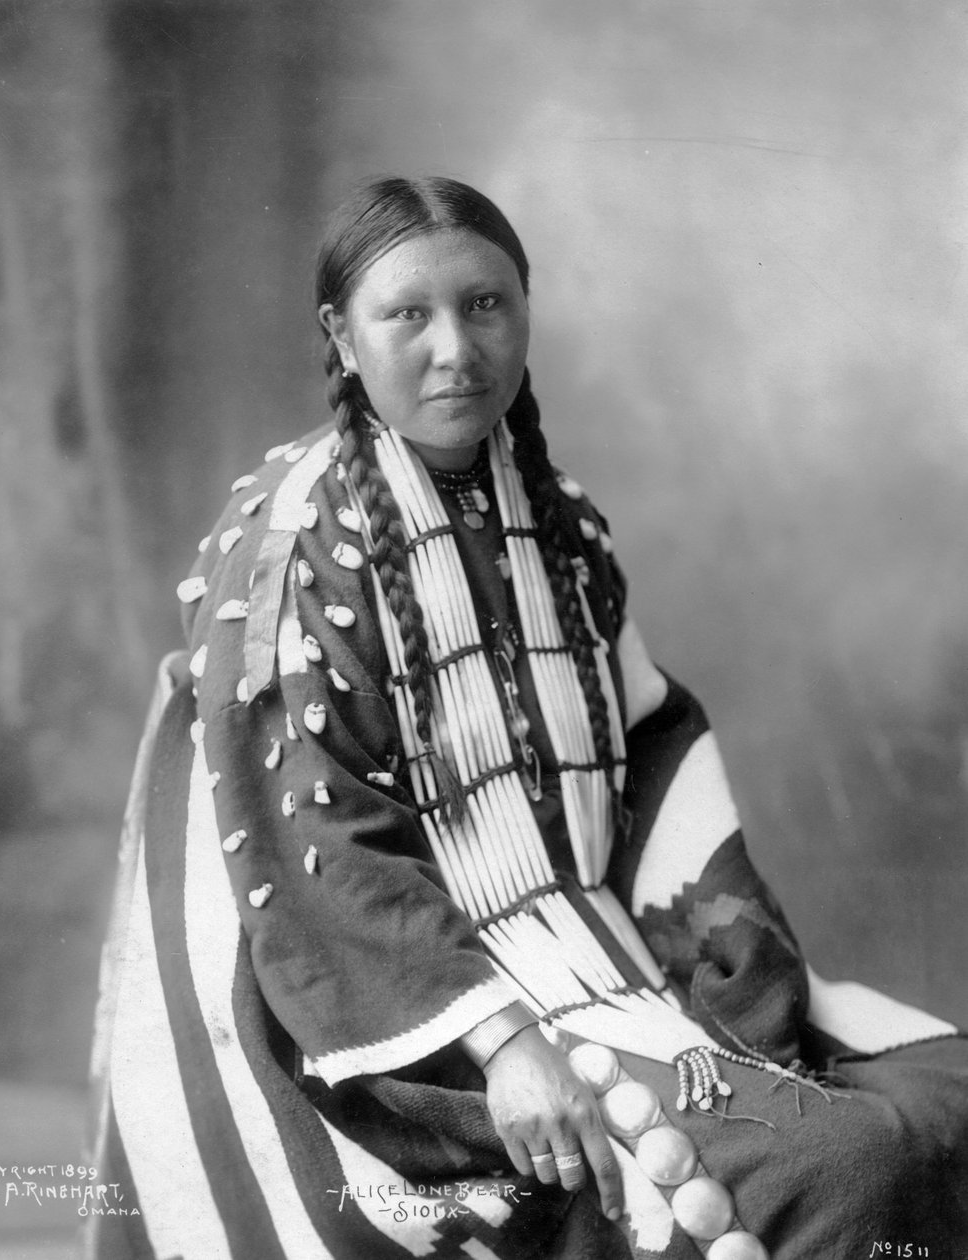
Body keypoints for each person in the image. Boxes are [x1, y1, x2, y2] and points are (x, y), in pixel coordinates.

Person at [87, 176, 968, 1260]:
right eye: (408, 314)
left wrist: (728, 950)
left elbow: (652, 738)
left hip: (612, 953)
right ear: (342, 335)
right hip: (424, 1022)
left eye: (486, 305)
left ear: (527, 310)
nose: (456, 348)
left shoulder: (560, 520)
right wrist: (504, 1049)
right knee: (841, 1170)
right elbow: (315, 847)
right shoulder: (293, 538)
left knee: (945, 1104)